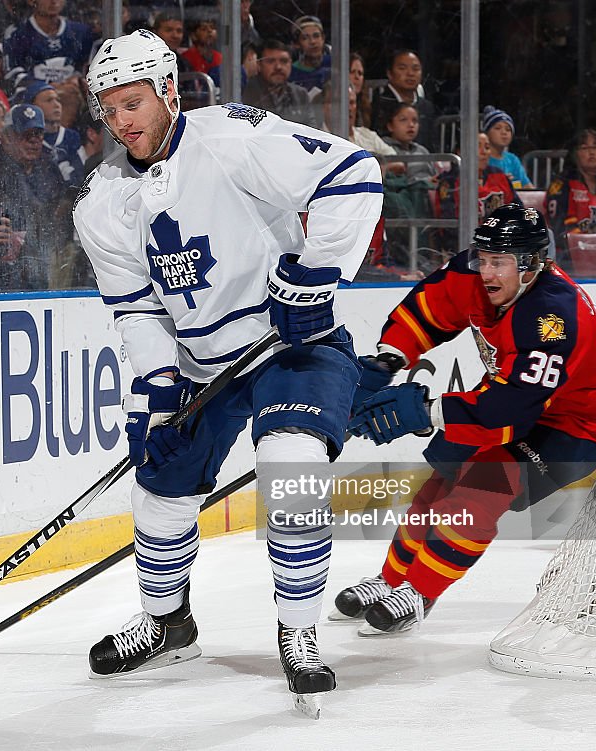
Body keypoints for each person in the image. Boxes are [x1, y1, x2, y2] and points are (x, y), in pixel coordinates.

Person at [73, 30, 381, 716]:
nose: (121, 121)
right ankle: (168, 624)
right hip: (199, 365)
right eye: (109, 109)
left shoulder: (233, 139)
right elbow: (135, 309)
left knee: (291, 461)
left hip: (290, 346)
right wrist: (156, 382)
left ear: (169, 91)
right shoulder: (101, 202)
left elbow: (354, 173)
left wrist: (311, 279)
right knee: (159, 488)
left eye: (132, 102)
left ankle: (298, 631)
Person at [335, 203, 596, 635]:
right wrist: (388, 357)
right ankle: (393, 580)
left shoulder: (552, 319)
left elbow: (512, 408)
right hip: (521, 402)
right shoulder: (477, 273)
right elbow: (430, 307)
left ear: (531, 266)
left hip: (578, 424)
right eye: (484, 258)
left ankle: (420, 594)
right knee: (437, 486)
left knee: (479, 492)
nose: (487, 272)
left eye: (500, 262)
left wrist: (424, 413)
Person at [0, 103, 71, 291]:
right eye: (26, 135)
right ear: (7, 138)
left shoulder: (48, 166)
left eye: (38, 134)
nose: (34, 141)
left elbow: (62, 208)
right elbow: (0, 219)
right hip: (13, 259)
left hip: (48, 247)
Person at [545, 128, 596, 264]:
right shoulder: (561, 184)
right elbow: (560, 228)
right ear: (574, 154)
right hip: (569, 256)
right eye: (585, 148)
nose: (592, 152)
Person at [4, 0, 95, 85]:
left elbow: (88, 68)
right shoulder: (16, 34)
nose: (54, 1)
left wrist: (78, 81)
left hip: (73, 94)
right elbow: (12, 73)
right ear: (31, 1)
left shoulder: (81, 33)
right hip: (33, 98)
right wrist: (41, 89)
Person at [371, 49, 437, 151]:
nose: (410, 73)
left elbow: (432, 145)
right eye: (402, 68)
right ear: (389, 73)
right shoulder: (378, 105)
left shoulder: (427, 106)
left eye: (416, 69)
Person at [242, 38, 316, 128]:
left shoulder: (300, 94)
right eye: (270, 61)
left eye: (284, 61)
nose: (278, 67)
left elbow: (312, 130)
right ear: (259, 65)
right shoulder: (246, 92)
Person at [482, 106, 534, 190]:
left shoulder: (512, 159)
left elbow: (527, 187)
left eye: (508, 129)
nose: (504, 132)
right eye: (498, 128)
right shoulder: (481, 157)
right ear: (487, 133)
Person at [288, 15, 330, 95]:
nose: (312, 42)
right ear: (297, 44)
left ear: (323, 38)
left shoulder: (335, 64)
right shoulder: (290, 73)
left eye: (316, 36)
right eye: (305, 38)